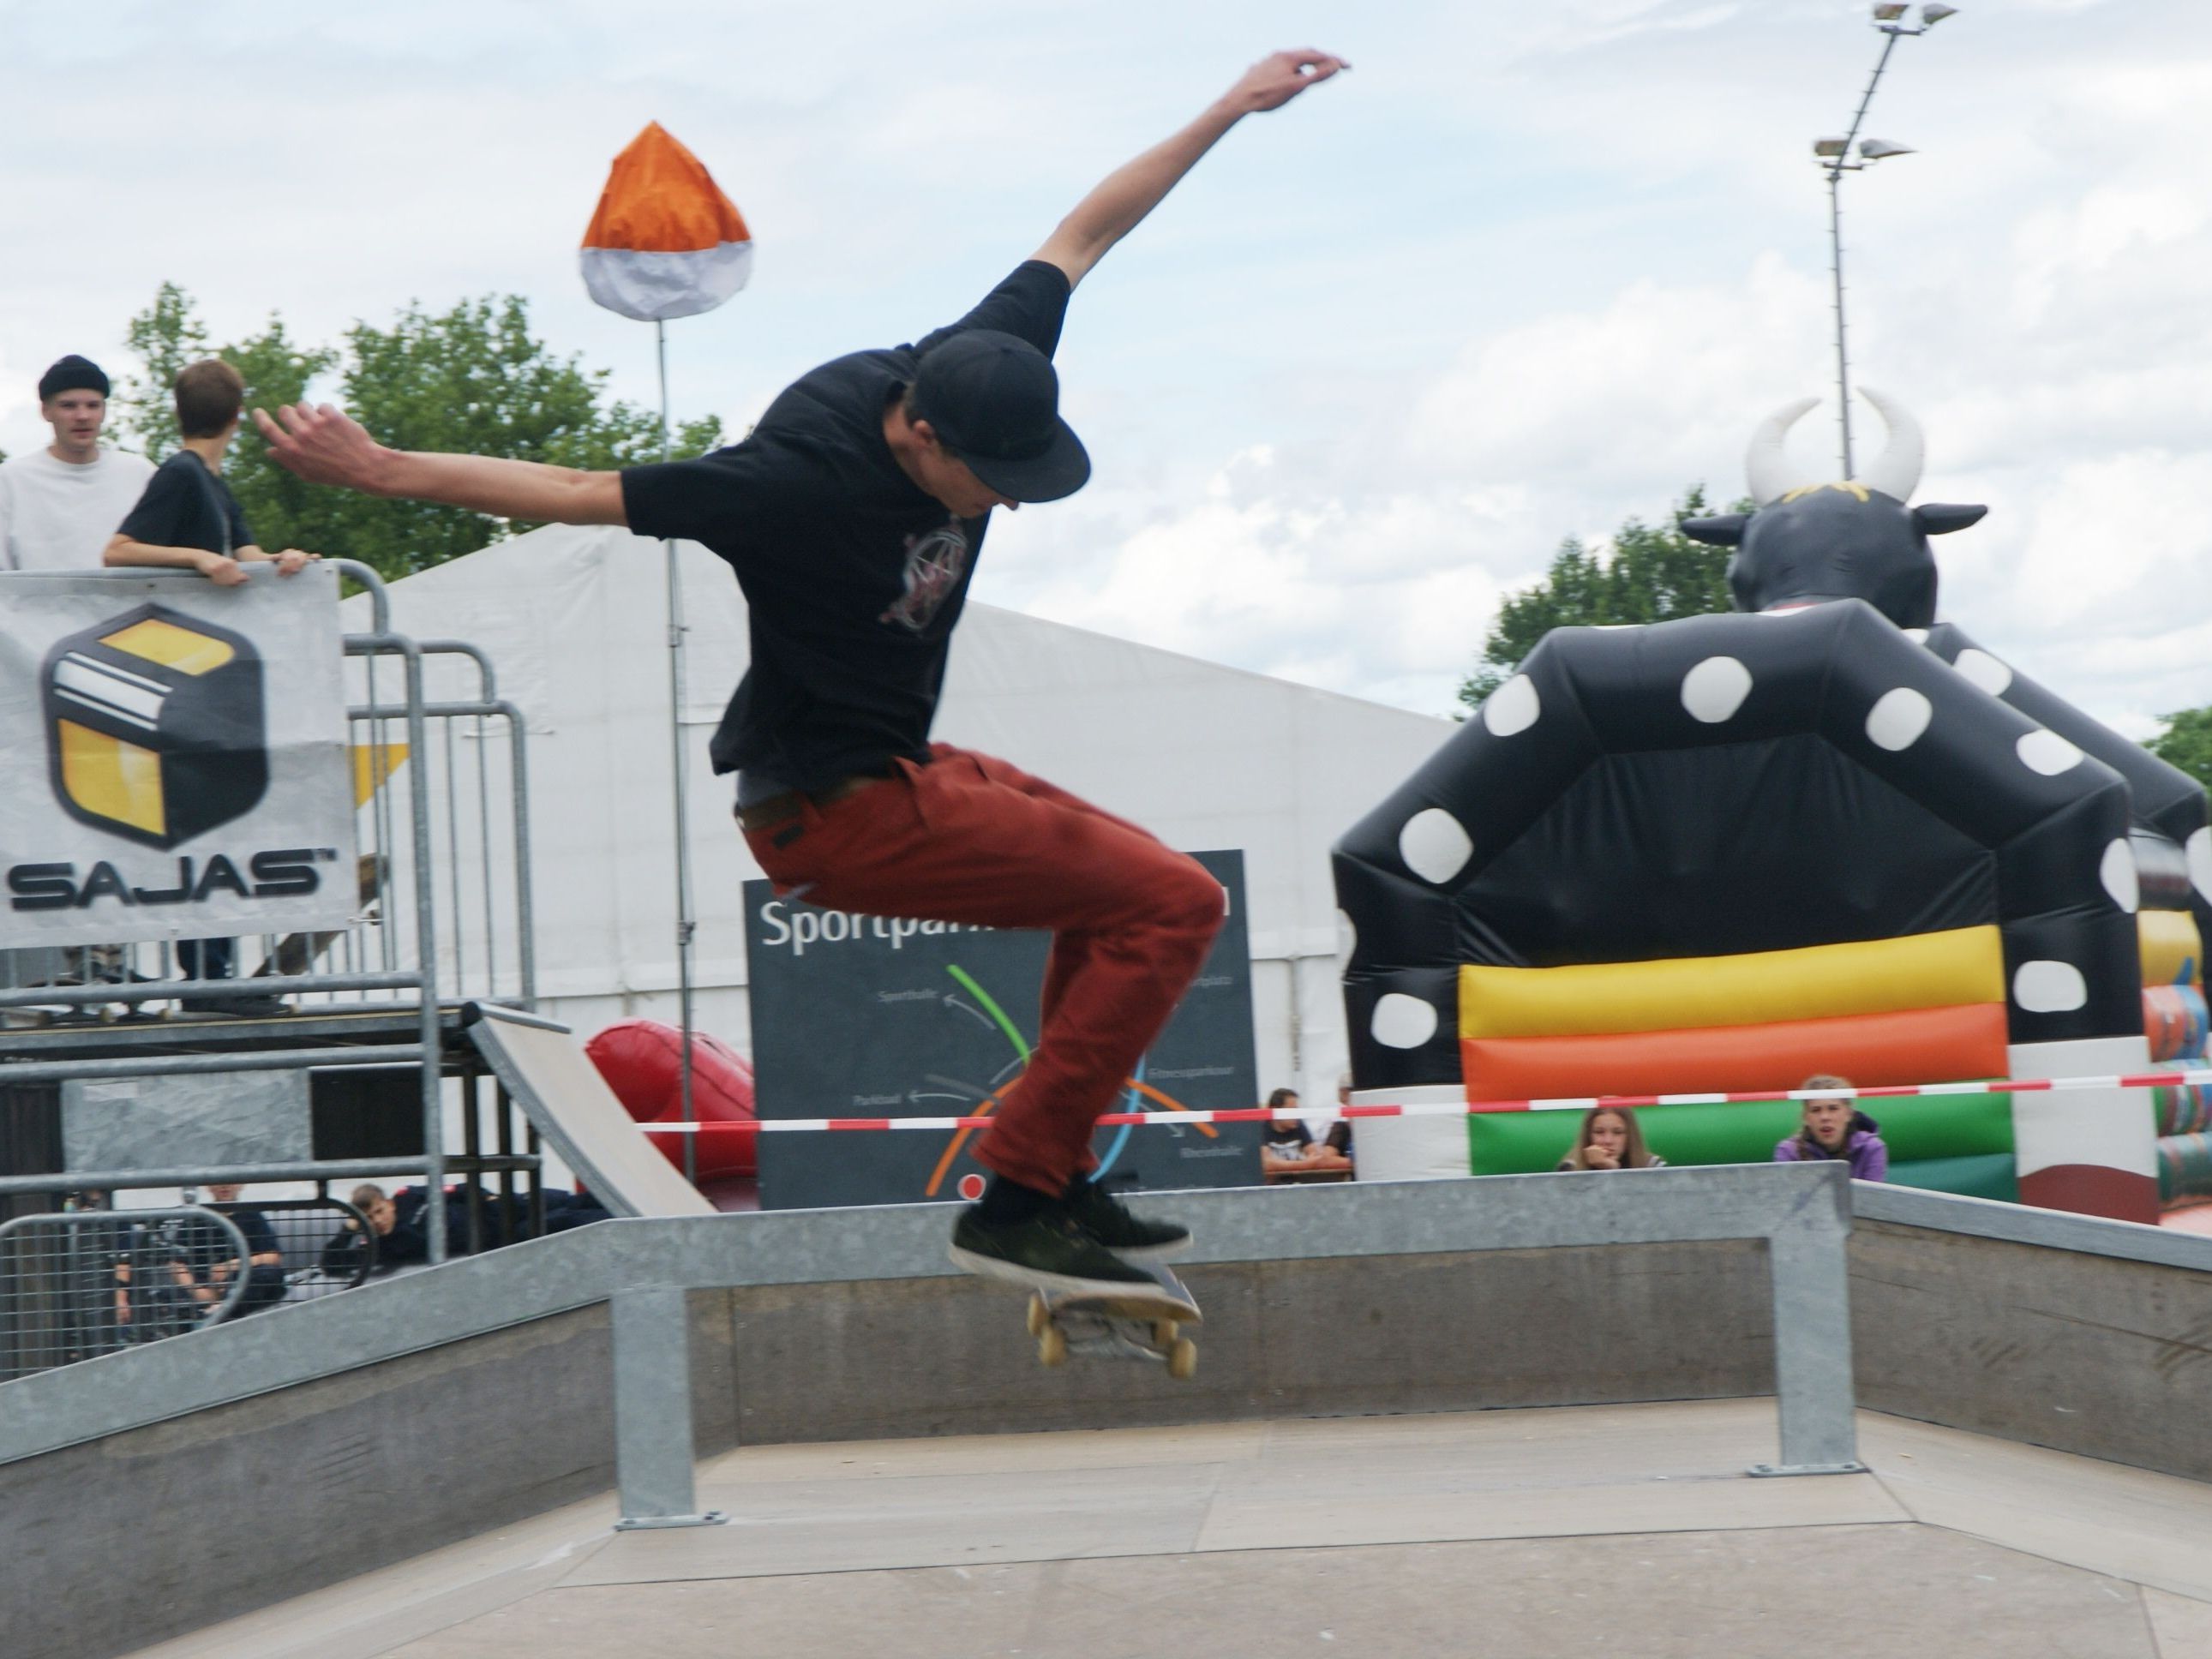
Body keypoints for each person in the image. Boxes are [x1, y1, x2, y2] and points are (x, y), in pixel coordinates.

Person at [255, 50, 1348, 1299]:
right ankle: (1019, 1195)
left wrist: (1222, 110)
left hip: (900, 770)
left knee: (1125, 897)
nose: (1001, 501)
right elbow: (574, 491)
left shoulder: (975, 360)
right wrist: (385, 470)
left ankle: (1045, 1177)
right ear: (922, 433)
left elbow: (1085, 230)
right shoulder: (784, 482)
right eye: (989, 480)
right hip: (833, 813)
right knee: (1175, 905)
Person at [106, 359, 320, 1017]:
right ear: (237, 416)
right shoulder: (178, 475)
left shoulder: (213, 484)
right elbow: (118, 549)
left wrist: (284, 560)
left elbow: (245, 556)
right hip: (178, 676)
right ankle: (206, 980)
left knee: (219, 830)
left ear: (179, 411)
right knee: (197, 829)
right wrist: (196, 558)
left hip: (208, 683)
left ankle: (216, 976)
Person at [0, 355, 154, 571]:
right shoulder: (10, 480)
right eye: (68, 406)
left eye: (93, 405)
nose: (82, 416)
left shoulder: (139, 473)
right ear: (46, 411)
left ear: (104, 411)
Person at [176, 1183, 289, 1319]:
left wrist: (232, 1266)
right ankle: (223, 1307)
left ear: (241, 1185)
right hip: (206, 1286)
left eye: (231, 1181)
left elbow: (273, 1257)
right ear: (209, 1186)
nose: (225, 1186)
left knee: (271, 1275)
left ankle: (224, 1307)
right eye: (219, 1181)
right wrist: (197, 1291)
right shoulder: (195, 1218)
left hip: (245, 1283)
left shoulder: (252, 1216)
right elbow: (176, 1262)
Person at [1774, 1074, 1889, 1182]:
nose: (1825, 1117)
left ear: (1849, 1114)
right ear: (1806, 1118)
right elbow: (1786, 1200)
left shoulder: (1872, 1148)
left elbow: (1872, 1199)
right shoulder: (1788, 1151)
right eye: (1816, 1110)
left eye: (1833, 1109)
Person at [1556, 1105, 1666, 1171]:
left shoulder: (1652, 1167)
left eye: (1618, 1133)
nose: (1608, 1141)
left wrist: (1613, 1171)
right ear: (1588, 1135)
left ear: (1630, 1136)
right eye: (1599, 1132)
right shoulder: (1570, 1168)